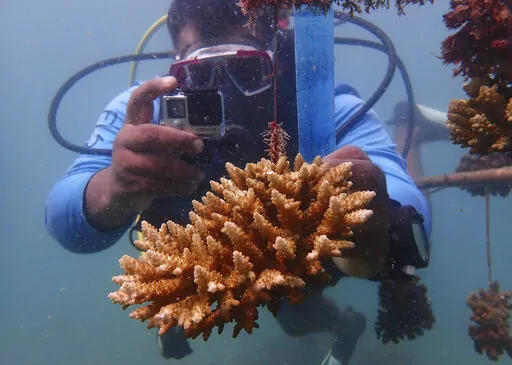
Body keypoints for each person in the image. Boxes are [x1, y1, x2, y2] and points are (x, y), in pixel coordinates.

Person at [45, 0, 435, 364]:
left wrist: (375, 222)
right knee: (296, 319)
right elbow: (64, 218)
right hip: (210, 261)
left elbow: (403, 198)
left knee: (296, 307)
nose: (226, 91)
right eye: (200, 73)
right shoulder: (148, 109)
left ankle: (413, 137)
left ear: (276, 57)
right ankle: (340, 323)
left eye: (247, 70)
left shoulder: (318, 103)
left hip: (296, 259)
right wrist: (114, 187)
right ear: (175, 67)